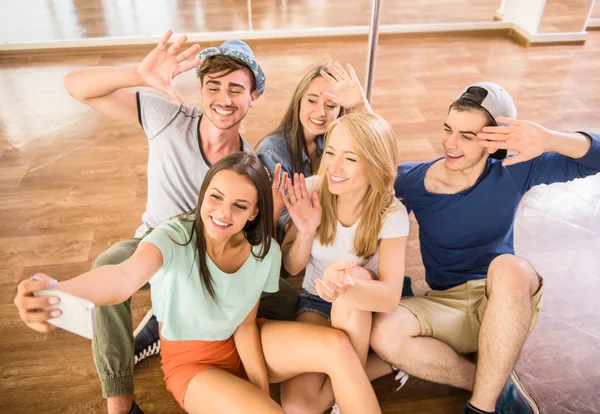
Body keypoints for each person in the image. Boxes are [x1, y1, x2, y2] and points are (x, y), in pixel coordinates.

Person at [13, 153, 382, 414]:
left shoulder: (263, 251)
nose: (223, 213)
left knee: (337, 345)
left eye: (240, 206)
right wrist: (58, 289)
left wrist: (258, 392)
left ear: (255, 212)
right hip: (192, 366)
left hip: (243, 345)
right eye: (216, 198)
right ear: (203, 195)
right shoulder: (173, 237)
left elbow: (245, 324)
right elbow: (122, 278)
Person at [61, 30, 297, 414]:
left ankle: (171, 318)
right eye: (214, 87)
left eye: (236, 89)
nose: (223, 99)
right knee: (108, 264)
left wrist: (273, 215)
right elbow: (76, 86)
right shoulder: (168, 117)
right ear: (201, 90)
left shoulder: (249, 166)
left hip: (213, 256)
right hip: (160, 243)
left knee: (290, 299)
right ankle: (120, 401)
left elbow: (254, 239)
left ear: (253, 97)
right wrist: (137, 74)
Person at [364, 82, 600, 414]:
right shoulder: (413, 180)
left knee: (509, 266)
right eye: (448, 129)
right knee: (384, 335)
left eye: (467, 135)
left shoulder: (514, 170)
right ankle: (494, 381)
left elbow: (596, 158)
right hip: (446, 304)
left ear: (495, 142)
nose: (449, 143)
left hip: (503, 301)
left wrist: (549, 139)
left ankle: (480, 408)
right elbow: (366, 202)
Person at [277, 112, 410, 413]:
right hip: (314, 301)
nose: (334, 167)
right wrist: (306, 232)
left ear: (375, 165)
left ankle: (347, 399)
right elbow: (293, 268)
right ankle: (381, 364)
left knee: (349, 273)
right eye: (330, 153)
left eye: (350, 158)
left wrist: (345, 289)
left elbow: (389, 298)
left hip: (364, 308)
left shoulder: (391, 214)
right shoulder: (313, 189)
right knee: (301, 407)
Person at [256, 62, 372, 242]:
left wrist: (361, 107)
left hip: (332, 230)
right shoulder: (272, 152)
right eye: (312, 100)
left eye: (331, 105)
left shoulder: (333, 136)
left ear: (340, 110)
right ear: (299, 100)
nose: (320, 112)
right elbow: (287, 223)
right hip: (299, 243)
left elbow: (378, 160)